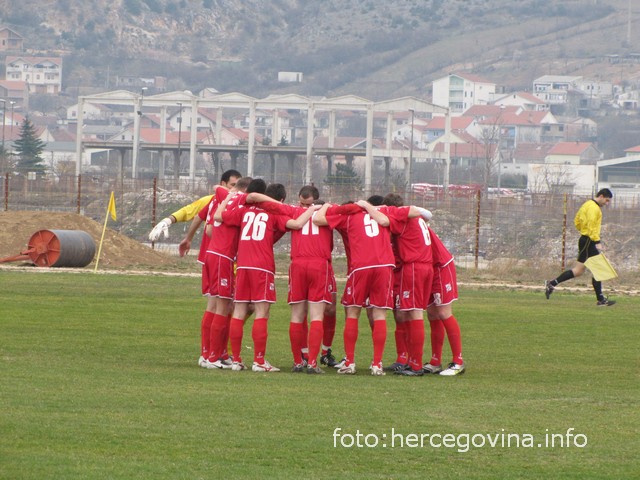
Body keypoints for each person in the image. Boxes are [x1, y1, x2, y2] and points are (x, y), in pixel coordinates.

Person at [214, 184, 320, 372]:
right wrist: (312, 209)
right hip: (262, 267)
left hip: (243, 265)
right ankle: (259, 361)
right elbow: (296, 224)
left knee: (238, 312)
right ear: (280, 201)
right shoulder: (274, 213)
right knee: (262, 313)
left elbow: (218, 217)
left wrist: (226, 200)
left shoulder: (244, 211)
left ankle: (237, 360)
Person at [151, 169, 242, 367]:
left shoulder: (225, 200)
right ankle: (210, 354)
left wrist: (188, 238)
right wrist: (170, 220)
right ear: (224, 184)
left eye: (237, 185)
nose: (234, 189)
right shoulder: (217, 199)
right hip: (220, 258)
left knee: (228, 307)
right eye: (231, 185)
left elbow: (198, 217)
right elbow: (191, 212)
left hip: (216, 258)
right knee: (221, 306)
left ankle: (217, 353)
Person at [381, 193, 434, 377]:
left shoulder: (403, 219)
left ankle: (416, 365)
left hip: (413, 267)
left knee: (414, 312)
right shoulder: (417, 219)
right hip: (425, 266)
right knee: (409, 312)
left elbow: (384, 221)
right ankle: (410, 360)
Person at [545, 188, 615, 307]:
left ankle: (552, 284)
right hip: (590, 241)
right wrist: (596, 241)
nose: (606, 203)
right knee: (597, 270)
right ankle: (601, 300)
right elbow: (592, 226)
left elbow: (577, 221)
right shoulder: (595, 208)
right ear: (602, 196)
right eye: (607, 200)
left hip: (585, 239)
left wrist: (583, 231)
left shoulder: (587, 204)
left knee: (579, 271)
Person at [148, 169, 242, 245]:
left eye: (239, 186)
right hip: (217, 253)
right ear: (223, 184)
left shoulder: (241, 203)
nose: (235, 189)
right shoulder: (210, 200)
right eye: (233, 185)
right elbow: (188, 211)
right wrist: (167, 220)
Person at [423, 227, 465, 376]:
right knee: (432, 314)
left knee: (443, 312)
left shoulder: (408, 219)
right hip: (427, 267)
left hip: (441, 266)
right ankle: (435, 361)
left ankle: (458, 361)